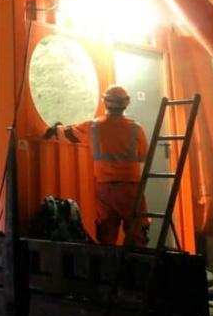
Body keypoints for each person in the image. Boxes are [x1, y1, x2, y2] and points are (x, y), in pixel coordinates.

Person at [42, 85, 149, 246]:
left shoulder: (93, 126)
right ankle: (137, 268)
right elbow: (143, 157)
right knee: (136, 235)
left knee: (106, 234)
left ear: (105, 102)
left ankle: (107, 269)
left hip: (104, 189)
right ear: (126, 103)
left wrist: (55, 128)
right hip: (131, 189)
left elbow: (65, 134)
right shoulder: (136, 128)